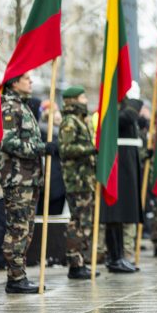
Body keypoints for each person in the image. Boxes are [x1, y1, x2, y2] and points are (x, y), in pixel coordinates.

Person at [0, 72, 54, 294]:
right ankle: (15, 277)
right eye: (26, 79)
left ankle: (18, 275)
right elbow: (8, 142)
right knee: (18, 228)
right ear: (14, 82)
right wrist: (42, 149)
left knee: (27, 229)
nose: (30, 82)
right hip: (17, 178)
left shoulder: (23, 105)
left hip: (29, 177)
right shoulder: (10, 107)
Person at [58, 86, 99, 279]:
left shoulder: (82, 119)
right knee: (78, 221)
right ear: (73, 99)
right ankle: (75, 262)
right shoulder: (70, 121)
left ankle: (81, 260)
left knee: (85, 222)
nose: (85, 99)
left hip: (85, 178)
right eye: (82, 97)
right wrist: (91, 149)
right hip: (76, 179)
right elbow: (66, 148)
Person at [102, 82, 144, 273]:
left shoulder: (123, 105)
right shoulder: (113, 105)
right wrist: (135, 101)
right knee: (114, 213)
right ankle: (114, 257)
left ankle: (119, 256)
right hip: (117, 162)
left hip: (127, 161)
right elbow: (127, 117)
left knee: (122, 213)